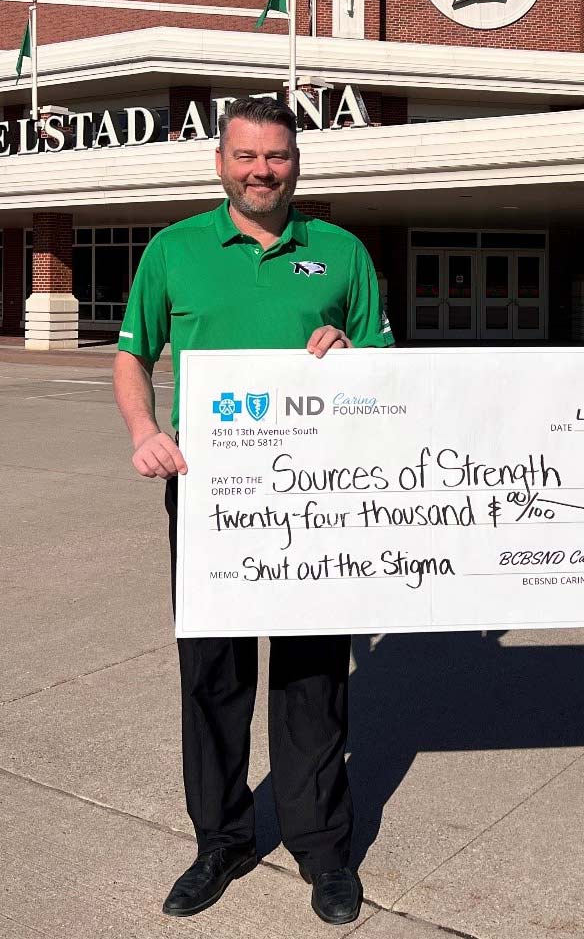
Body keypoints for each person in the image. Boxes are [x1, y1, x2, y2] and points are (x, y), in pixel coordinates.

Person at [113, 96, 394, 926]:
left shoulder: (341, 251)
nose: (261, 171)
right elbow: (133, 354)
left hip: (317, 501)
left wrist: (349, 354)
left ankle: (321, 847)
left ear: (296, 164)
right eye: (246, 157)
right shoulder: (174, 250)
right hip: (209, 495)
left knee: (312, 677)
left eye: (276, 157)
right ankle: (222, 839)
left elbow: (382, 357)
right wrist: (144, 429)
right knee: (213, 676)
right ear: (219, 162)